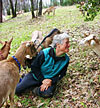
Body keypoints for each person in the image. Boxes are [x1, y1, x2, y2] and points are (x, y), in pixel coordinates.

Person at [15, 33, 70, 98]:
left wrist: (51, 80)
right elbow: (34, 67)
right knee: (17, 90)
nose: (69, 45)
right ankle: (25, 78)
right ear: (58, 45)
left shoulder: (66, 59)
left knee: (48, 93)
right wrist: (43, 80)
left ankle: (34, 89)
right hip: (36, 76)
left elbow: (62, 74)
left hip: (49, 81)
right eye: (66, 43)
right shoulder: (44, 53)